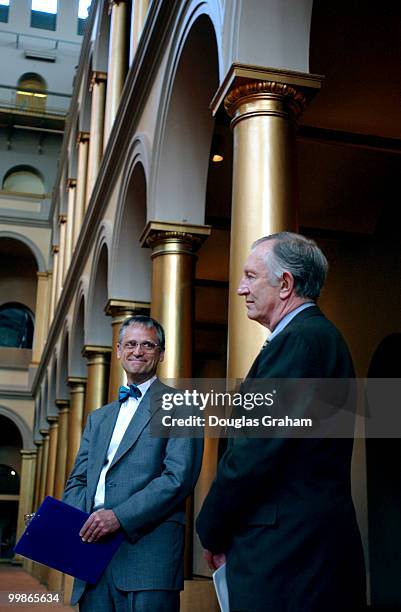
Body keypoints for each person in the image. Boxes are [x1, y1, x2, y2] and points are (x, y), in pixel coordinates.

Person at [196, 232, 366, 612]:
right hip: (303, 548)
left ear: (285, 284)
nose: (241, 289)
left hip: (287, 551)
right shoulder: (314, 338)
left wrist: (211, 528)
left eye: (251, 276)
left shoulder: (299, 342)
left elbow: (254, 452)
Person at [63, 315, 203, 611]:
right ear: (118, 351)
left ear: (161, 354)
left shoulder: (183, 405)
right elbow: (78, 480)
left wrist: (117, 517)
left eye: (147, 345)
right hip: (92, 555)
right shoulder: (98, 418)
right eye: (131, 344)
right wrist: (78, 523)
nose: (137, 351)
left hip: (147, 555)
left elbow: (178, 479)